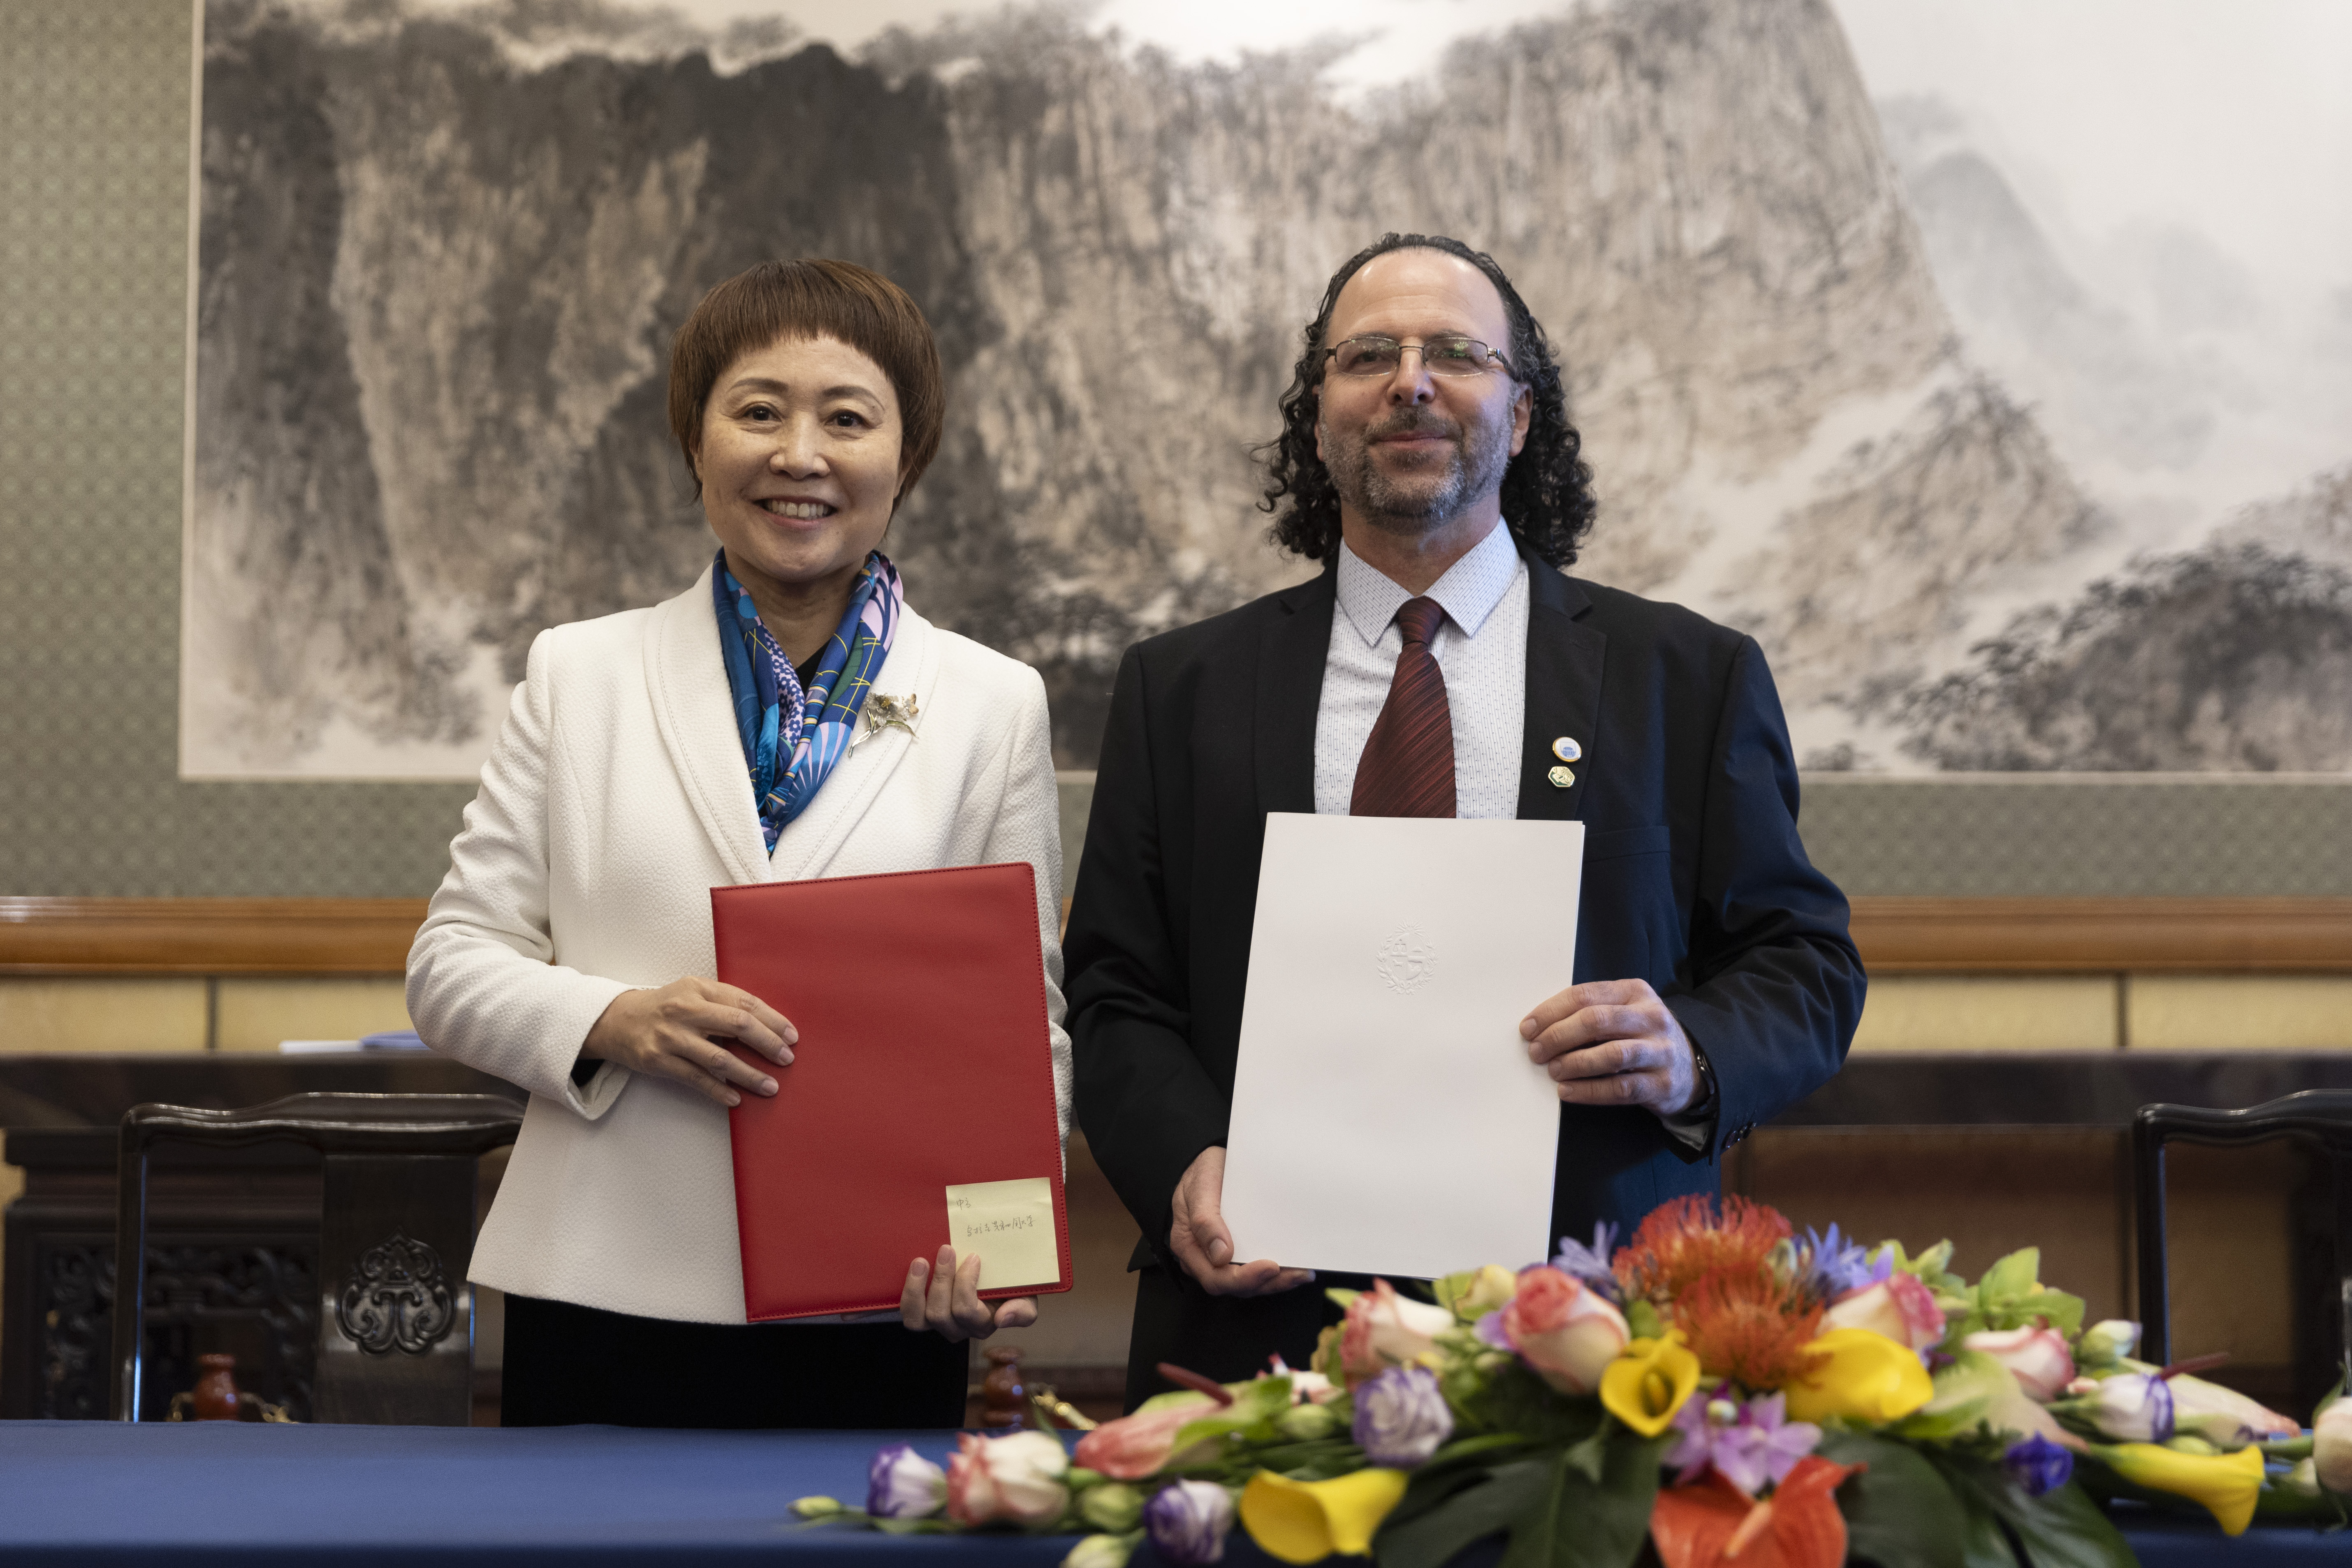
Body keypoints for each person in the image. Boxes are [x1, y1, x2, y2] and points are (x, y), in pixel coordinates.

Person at [1063, 233, 1865, 1409]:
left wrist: (1688, 1053)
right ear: (1319, 419)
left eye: (1455, 353)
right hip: (1258, 1329)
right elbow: (1118, 989)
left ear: (1523, 415)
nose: (1411, 382)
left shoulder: (1688, 679)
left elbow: (1805, 966)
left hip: (1597, 1340)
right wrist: (1185, 1161)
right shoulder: (1180, 688)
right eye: (1367, 357)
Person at [406, 259, 1069, 1429]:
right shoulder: (580, 674)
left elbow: (1020, 1025)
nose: (799, 455)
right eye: (759, 411)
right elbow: (450, 966)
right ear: (695, 441)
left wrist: (1000, 1257)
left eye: (848, 418)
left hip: (879, 1292)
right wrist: (616, 1019)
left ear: (907, 456)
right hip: (602, 1284)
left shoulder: (991, 703)